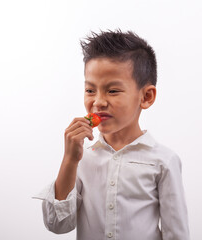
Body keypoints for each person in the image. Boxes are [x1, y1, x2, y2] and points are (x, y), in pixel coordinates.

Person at [33, 29, 190, 240]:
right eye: (90, 90)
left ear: (146, 96)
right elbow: (57, 225)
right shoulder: (82, 159)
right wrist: (70, 159)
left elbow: (177, 234)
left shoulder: (163, 160)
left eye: (113, 91)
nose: (98, 102)